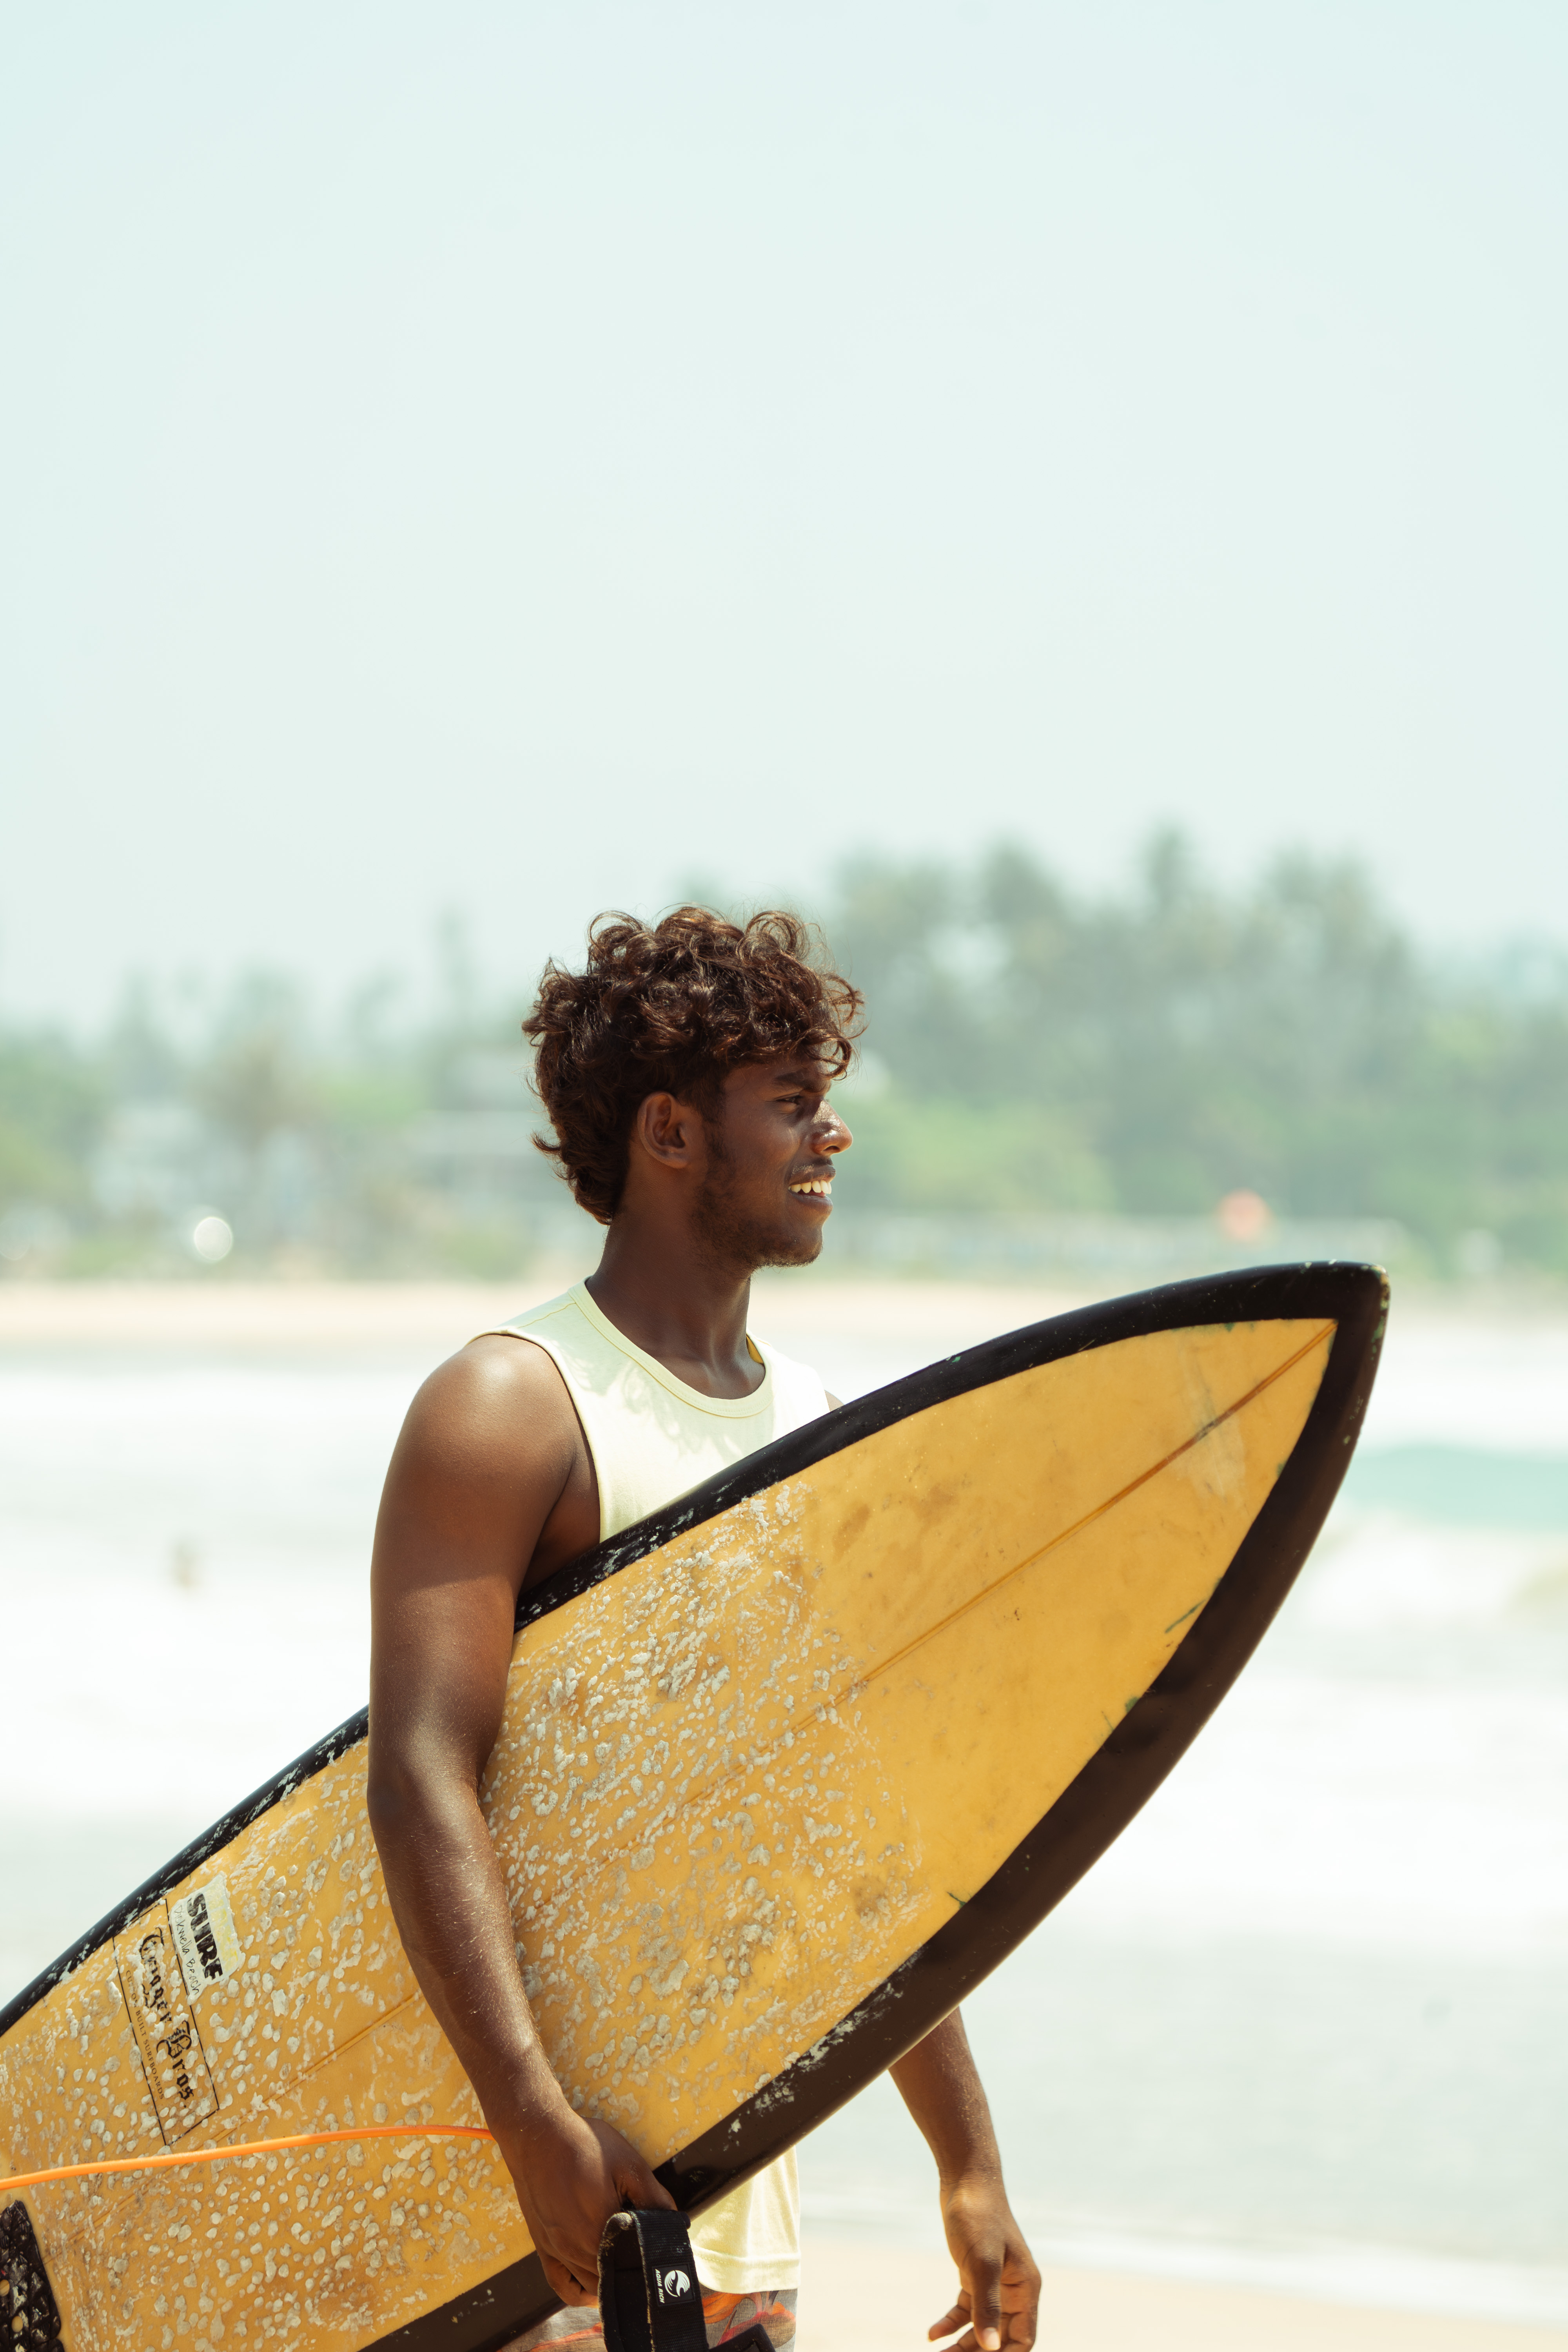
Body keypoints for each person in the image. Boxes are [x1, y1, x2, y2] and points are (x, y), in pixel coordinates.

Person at [367, 908, 1041, 2352]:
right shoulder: (512, 1406)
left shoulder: (817, 1428)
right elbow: (420, 1775)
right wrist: (527, 2115)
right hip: (530, 2213)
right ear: (672, 1133)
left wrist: (966, 2159)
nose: (831, 1139)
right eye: (792, 1105)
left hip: (734, 2217)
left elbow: (844, 1827)